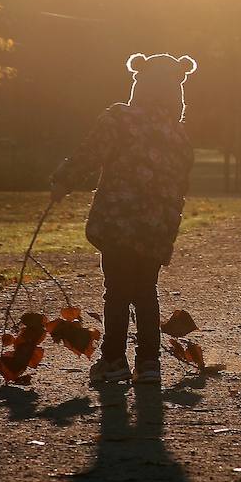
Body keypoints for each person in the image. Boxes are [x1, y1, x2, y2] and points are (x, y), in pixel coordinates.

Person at [50, 53, 197, 386]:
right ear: (177, 94)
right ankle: (149, 363)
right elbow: (180, 185)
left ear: (138, 85)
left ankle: (114, 360)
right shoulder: (179, 137)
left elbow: (91, 152)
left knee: (116, 291)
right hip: (156, 227)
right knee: (146, 291)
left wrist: (64, 180)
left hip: (118, 220)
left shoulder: (119, 119)